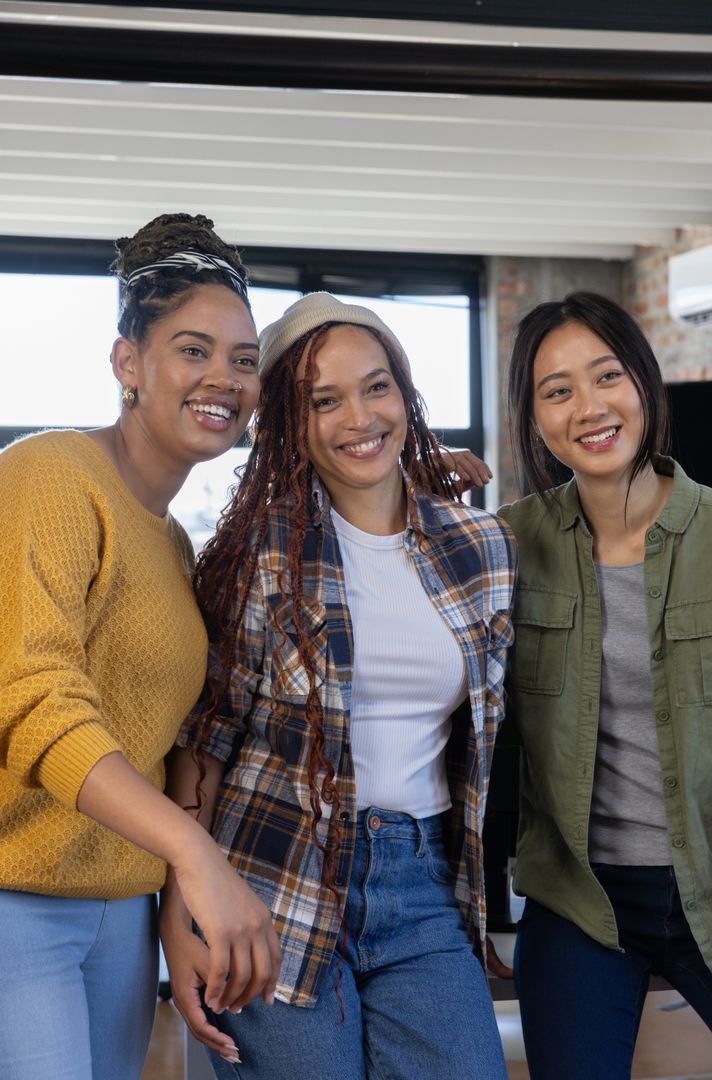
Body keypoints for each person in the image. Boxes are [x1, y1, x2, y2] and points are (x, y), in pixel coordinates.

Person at [160, 291, 518, 1079]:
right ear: (291, 423)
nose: (359, 416)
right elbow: (207, 738)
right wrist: (179, 917)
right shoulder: (257, 559)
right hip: (269, 877)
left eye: (376, 386)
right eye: (325, 400)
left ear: (405, 391)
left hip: (419, 882)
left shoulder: (482, 547)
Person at [0, 212, 280, 1080]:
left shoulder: (172, 547)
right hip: (15, 899)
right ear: (129, 363)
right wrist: (197, 858)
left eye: (243, 359)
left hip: (119, 910)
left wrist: (170, 911)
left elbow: (159, 752)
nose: (223, 379)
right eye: (193, 350)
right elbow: (35, 698)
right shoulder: (48, 474)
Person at [498, 291, 712, 1079]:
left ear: (645, 386)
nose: (588, 408)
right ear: (534, 416)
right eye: (557, 391)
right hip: (579, 898)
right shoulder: (509, 547)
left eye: (607, 377)